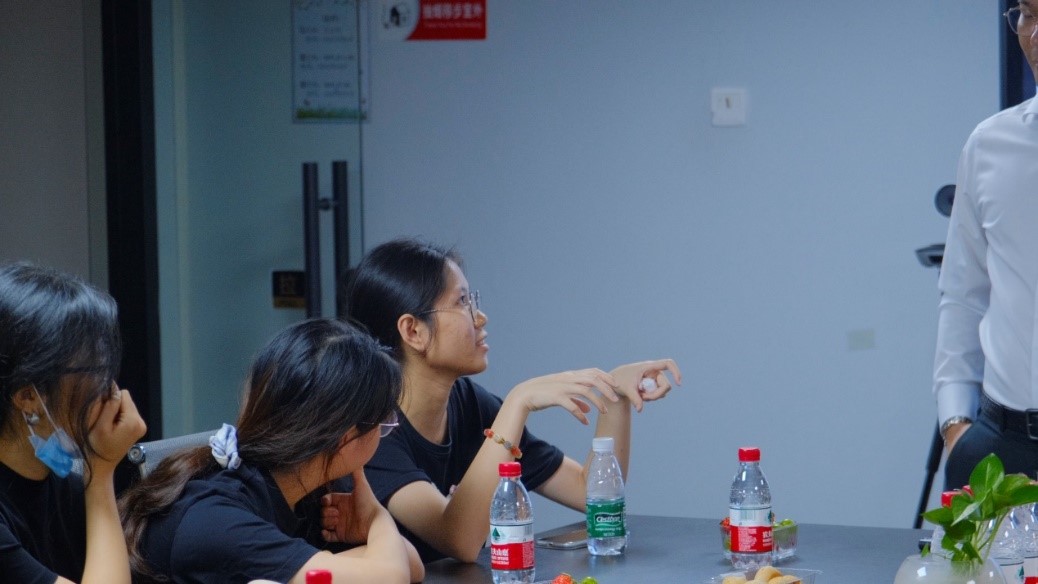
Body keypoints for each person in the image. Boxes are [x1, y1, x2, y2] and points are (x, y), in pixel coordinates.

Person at [323, 238, 681, 563]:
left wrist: (615, 394)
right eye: (462, 302)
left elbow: (589, 491)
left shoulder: (470, 404)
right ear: (413, 331)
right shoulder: (372, 431)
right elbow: (459, 540)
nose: (481, 317)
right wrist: (518, 402)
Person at [119, 319, 424, 584]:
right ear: (345, 437)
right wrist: (374, 518)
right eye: (383, 422)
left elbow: (410, 565)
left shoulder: (303, 482)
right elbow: (391, 576)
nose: (384, 430)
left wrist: (367, 542)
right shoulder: (216, 519)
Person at [933, 2, 1038, 490]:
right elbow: (963, 292)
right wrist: (955, 424)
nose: (1033, 35)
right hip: (1000, 446)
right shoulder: (988, 145)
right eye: (1027, 14)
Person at [0, 261, 148, 584]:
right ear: (28, 396)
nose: (111, 390)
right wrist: (101, 472)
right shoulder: (90, 487)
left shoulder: (66, 490)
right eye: (93, 370)